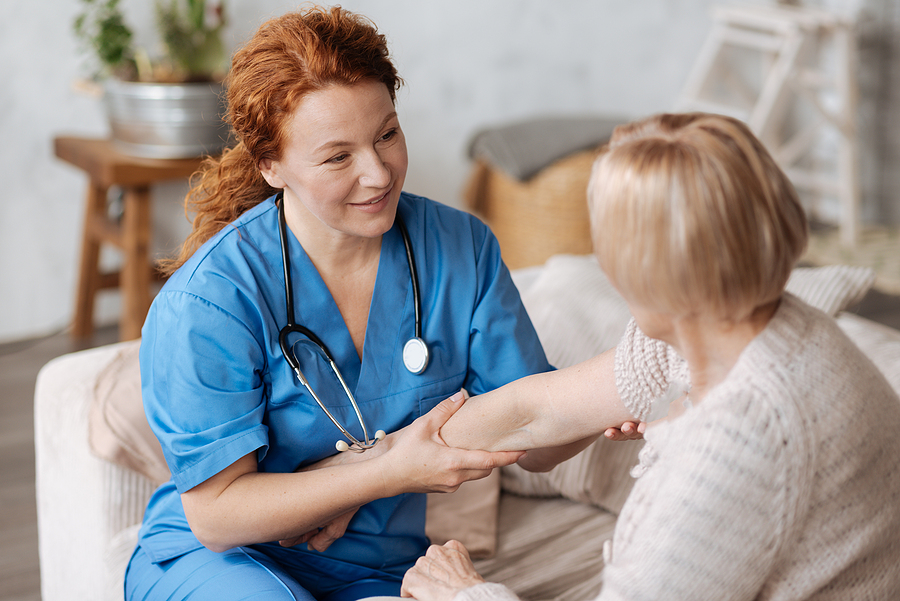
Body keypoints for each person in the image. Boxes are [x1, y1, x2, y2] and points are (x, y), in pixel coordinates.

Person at [125, 6, 643, 601]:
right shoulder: (212, 299)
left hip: (377, 570)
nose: (378, 174)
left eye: (387, 135)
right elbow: (216, 516)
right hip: (221, 562)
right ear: (271, 165)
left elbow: (530, 428)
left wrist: (601, 409)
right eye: (337, 156)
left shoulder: (459, 248)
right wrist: (387, 470)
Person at [402, 113, 900, 601]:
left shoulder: (741, 436)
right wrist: (370, 477)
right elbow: (535, 411)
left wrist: (466, 592)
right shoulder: (720, 325)